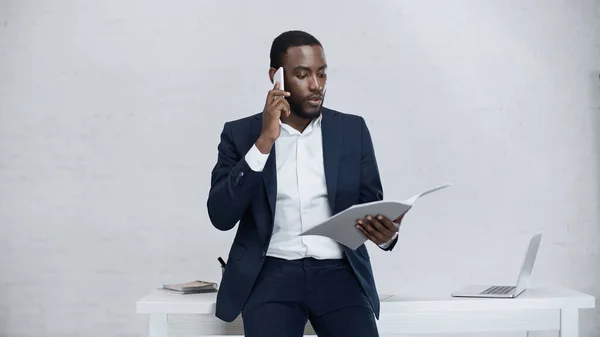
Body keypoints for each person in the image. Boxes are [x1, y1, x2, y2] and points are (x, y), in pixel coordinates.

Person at [206, 30, 406, 337]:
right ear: (277, 77)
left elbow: (370, 208)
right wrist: (264, 142)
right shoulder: (240, 134)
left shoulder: (351, 130)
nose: (316, 85)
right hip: (270, 274)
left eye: (322, 74)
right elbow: (220, 216)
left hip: (339, 274)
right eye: (302, 75)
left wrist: (386, 236)